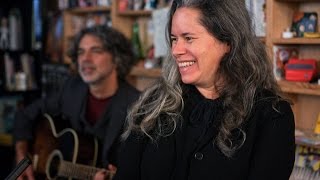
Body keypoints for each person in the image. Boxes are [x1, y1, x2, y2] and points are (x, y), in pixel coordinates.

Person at [112, 0, 295, 180]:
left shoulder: (271, 115)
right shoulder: (152, 105)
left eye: (188, 38)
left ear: (228, 41)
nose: (176, 50)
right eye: (174, 39)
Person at [13, 25, 140, 180]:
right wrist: (21, 156)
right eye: (81, 52)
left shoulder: (138, 107)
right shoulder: (72, 88)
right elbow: (25, 115)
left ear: (117, 59)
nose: (85, 59)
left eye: (95, 51)